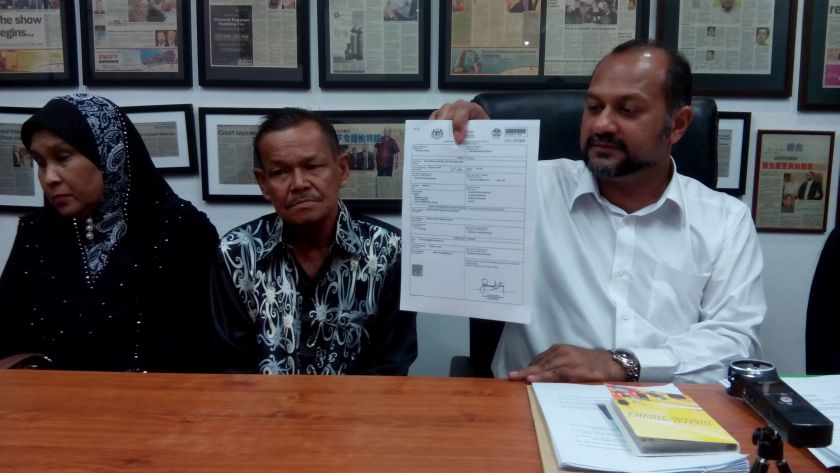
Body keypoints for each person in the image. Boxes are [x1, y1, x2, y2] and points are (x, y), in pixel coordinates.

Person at [431, 39, 766, 383]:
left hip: (668, 412)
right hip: (530, 403)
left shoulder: (724, 221)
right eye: (593, 107)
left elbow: (736, 344)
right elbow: (446, 243)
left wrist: (622, 363)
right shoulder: (526, 187)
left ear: (678, 124)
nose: (602, 124)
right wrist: (471, 151)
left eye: (628, 110)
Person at [0, 94, 220, 372]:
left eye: (63, 157)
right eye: (41, 163)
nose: (50, 177)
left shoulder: (182, 230)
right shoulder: (35, 233)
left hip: (157, 407)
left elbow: (203, 350)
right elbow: (7, 334)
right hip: (47, 406)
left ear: (107, 153)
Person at [210, 108, 417, 375]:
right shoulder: (236, 252)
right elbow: (230, 366)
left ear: (342, 170)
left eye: (313, 166)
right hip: (263, 412)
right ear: (263, 183)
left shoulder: (389, 250)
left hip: (361, 411)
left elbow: (391, 365)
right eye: (280, 172)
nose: (298, 183)